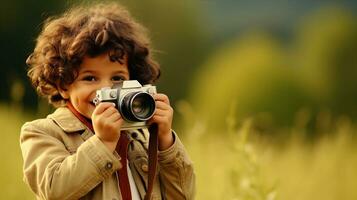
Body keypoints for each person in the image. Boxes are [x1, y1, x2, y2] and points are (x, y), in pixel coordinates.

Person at [20, 2, 195, 200]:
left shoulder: (140, 136)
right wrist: (102, 143)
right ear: (63, 85)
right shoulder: (42, 132)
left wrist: (165, 142)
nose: (105, 89)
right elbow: (53, 190)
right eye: (90, 78)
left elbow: (183, 196)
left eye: (117, 78)